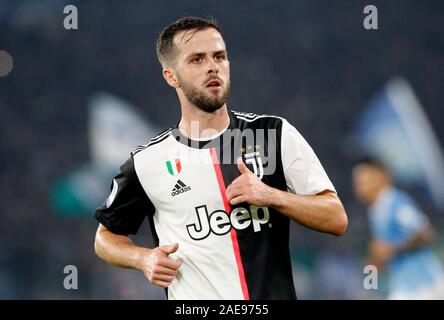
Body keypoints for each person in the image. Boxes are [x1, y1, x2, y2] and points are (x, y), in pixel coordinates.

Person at [94, 16, 348, 300]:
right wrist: (143, 259)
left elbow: (335, 217)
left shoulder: (273, 134)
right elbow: (105, 238)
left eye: (219, 56)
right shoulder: (146, 162)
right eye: (197, 60)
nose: (213, 66)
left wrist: (272, 196)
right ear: (171, 76)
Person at [352, 157, 444, 299]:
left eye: (363, 182)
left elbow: (425, 234)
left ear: (380, 177)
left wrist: (392, 250)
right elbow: (385, 254)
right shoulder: (376, 210)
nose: (359, 188)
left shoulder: (395, 202)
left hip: (423, 285)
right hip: (405, 284)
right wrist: (375, 264)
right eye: (357, 184)